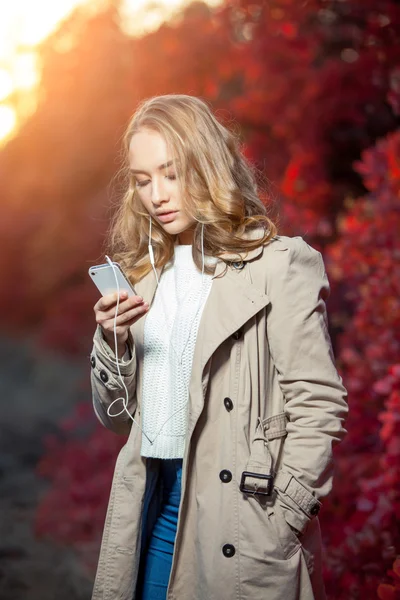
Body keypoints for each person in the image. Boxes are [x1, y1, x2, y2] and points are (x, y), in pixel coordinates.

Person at [89, 94, 348, 600]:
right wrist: (113, 341)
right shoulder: (144, 279)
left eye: (171, 173)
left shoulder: (279, 266)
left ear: (206, 164)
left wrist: (283, 516)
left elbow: (319, 403)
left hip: (240, 512)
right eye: (143, 181)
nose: (157, 194)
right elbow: (119, 420)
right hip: (152, 502)